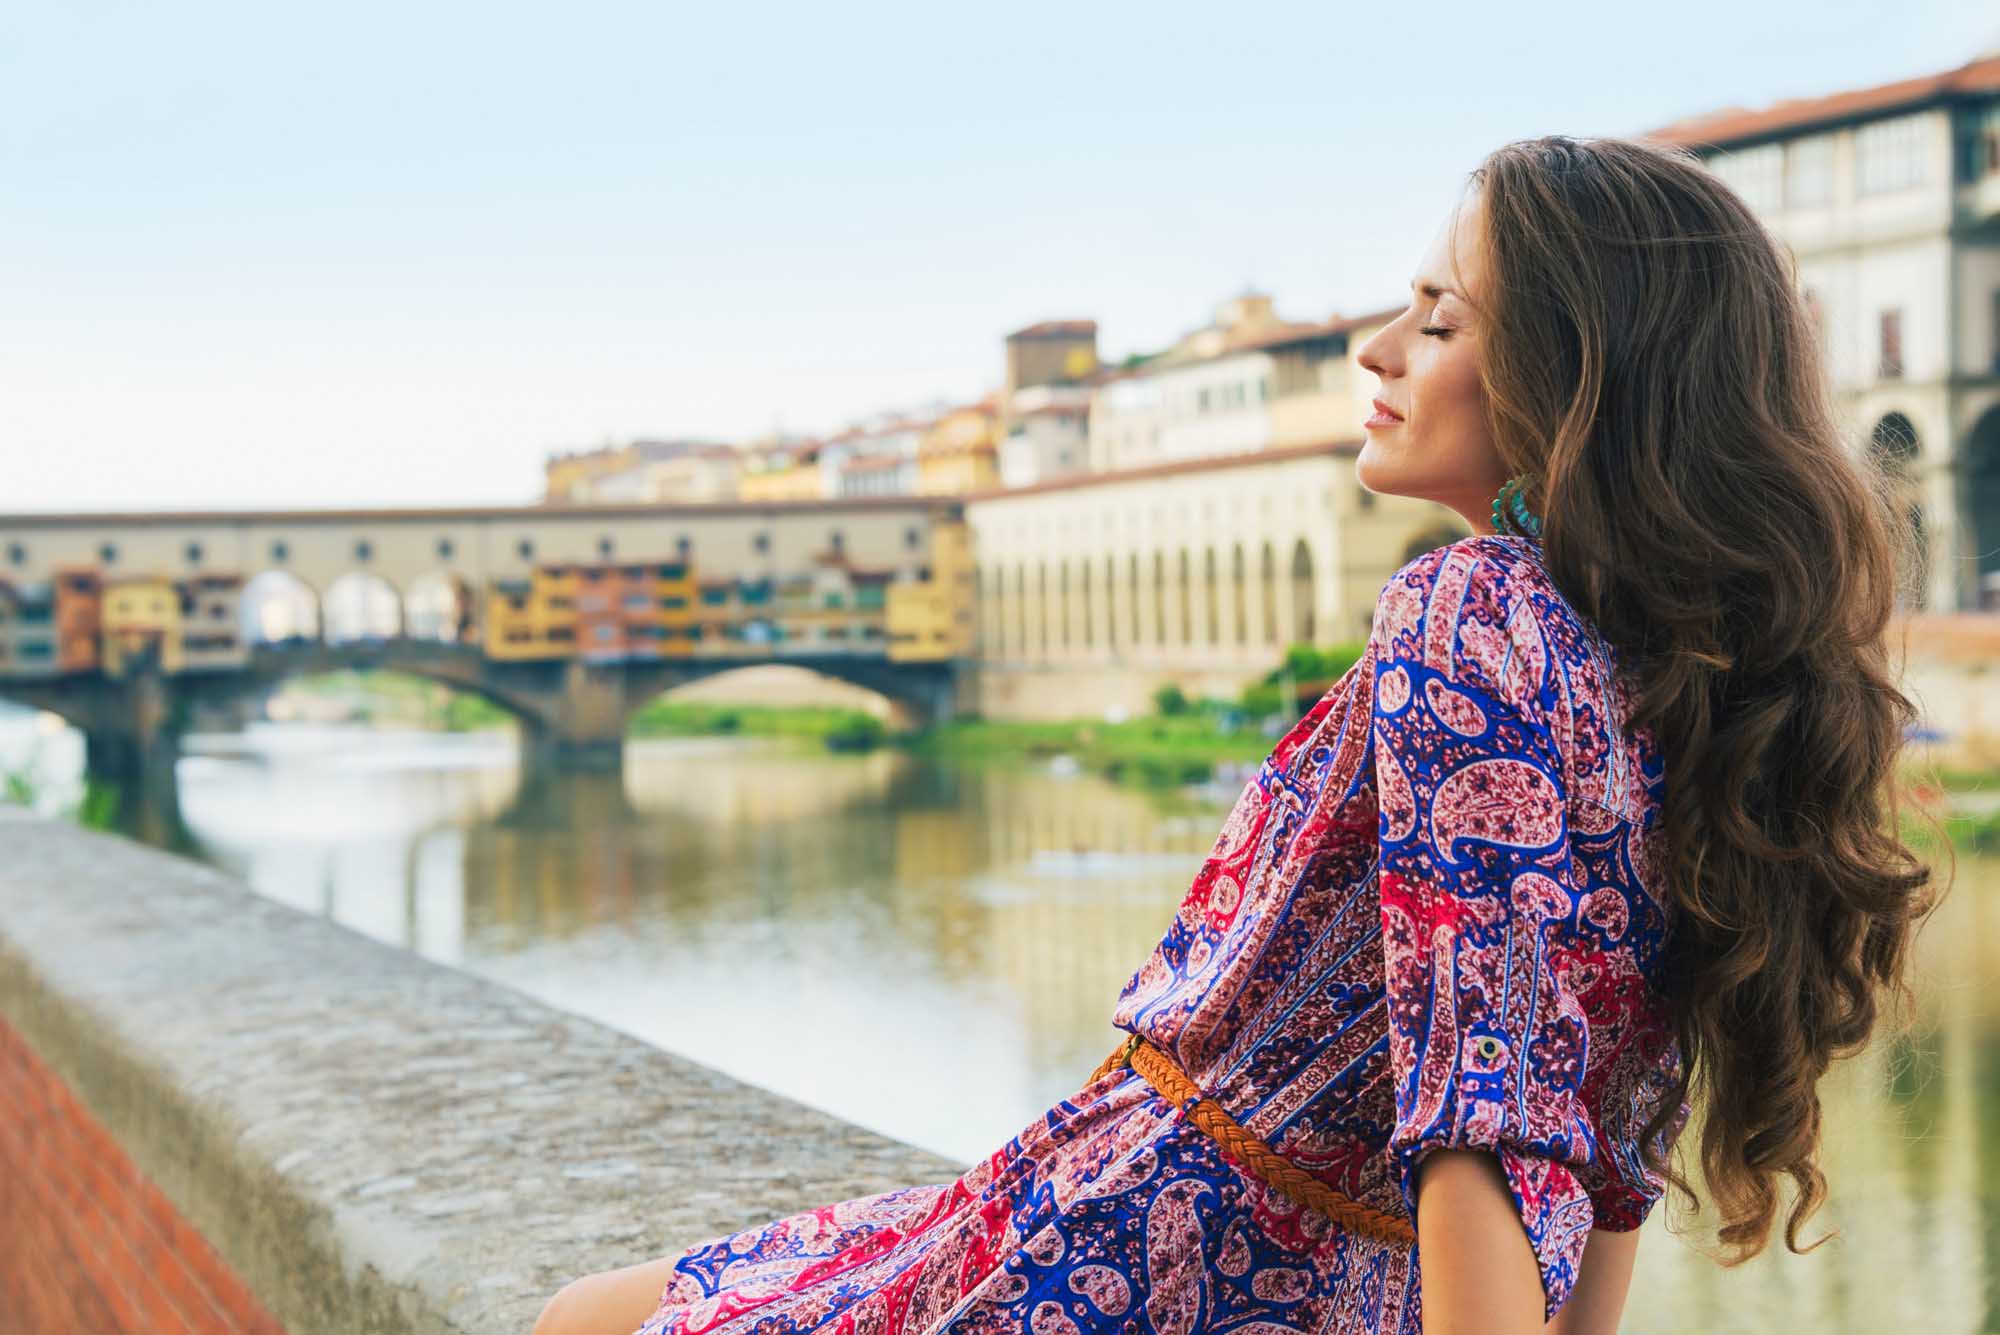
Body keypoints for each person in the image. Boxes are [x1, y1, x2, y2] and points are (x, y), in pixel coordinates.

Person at [532, 134, 1944, 1335]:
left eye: (1441, 323)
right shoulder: (1670, 679)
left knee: (583, 1322)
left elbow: (1488, 1107)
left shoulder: (1470, 610)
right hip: (1296, 1273)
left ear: (1579, 385)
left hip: (1143, 1259)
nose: (1377, 351)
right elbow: (1605, 1149)